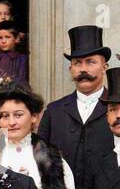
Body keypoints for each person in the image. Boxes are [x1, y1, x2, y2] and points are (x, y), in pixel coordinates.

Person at [37, 25, 111, 172]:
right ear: (71, 69)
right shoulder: (54, 111)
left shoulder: (117, 109)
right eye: (77, 63)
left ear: (104, 67)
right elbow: (41, 155)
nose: (83, 69)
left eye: (91, 62)